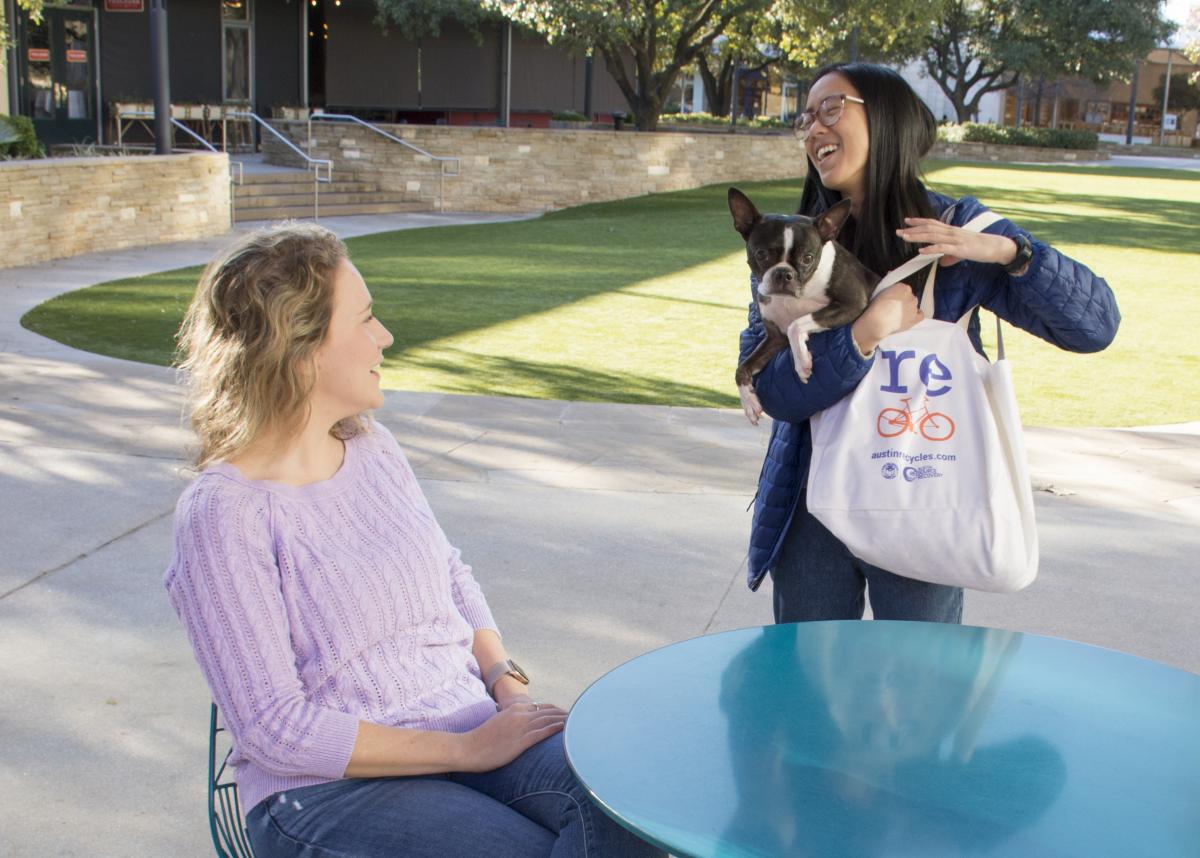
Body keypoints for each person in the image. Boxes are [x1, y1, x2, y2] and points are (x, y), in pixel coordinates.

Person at [165, 222, 663, 858]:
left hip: (468, 724)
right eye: (366, 319)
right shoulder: (224, 513)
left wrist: (506, 689)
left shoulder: (372, 449)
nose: (386, 337)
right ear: (301, 347)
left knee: (630, 811)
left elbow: (450, 577)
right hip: (326, 792)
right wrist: (466, 750)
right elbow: (272, 729)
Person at [739, 62, 1120, 625]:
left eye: (831, 109)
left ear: (886, 117)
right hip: (812, 505)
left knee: (919, 692)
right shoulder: (793, 245)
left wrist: (1009, 252)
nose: (814, 129)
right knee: (808, 687)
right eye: (805, 119)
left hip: (925, 487)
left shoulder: (954, 227)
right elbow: (777, 393)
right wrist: (865, 333)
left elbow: (1094, 327)